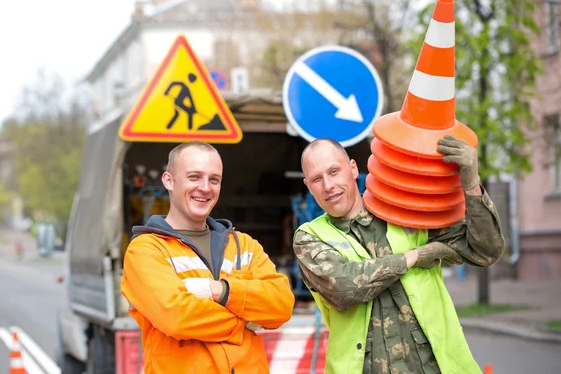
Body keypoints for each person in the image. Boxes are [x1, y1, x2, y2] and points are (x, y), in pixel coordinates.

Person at [293, 136, 505, 374]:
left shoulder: (405, 213)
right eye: (317, 179)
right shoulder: (310, 237)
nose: (328, 186)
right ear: (308, 186)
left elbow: (485, 250)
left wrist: (471, 184)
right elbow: (343, 288)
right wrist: (413, 256)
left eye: (334, 171)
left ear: (353, 168)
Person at [121, 141, 295, 374]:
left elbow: (282, 305)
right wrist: (244, 321)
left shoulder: (243, 244)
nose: (205, 187)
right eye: (194, 177)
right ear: (168, 181)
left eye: (214, 179)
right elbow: (178, 317)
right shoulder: (146, 250)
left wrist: (221, 291)